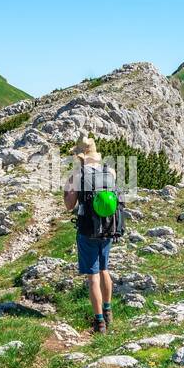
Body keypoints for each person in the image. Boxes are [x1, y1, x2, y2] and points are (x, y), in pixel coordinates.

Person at [63, 136, 124, 334]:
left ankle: (99, 324)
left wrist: (68, 188)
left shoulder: (77, 175)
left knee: (93, 277)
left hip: (88, 230)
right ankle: (108, 311)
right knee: (105, 269)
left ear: (80, 156)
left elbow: (69, 204)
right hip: (108, 228)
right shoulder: (111, 172)